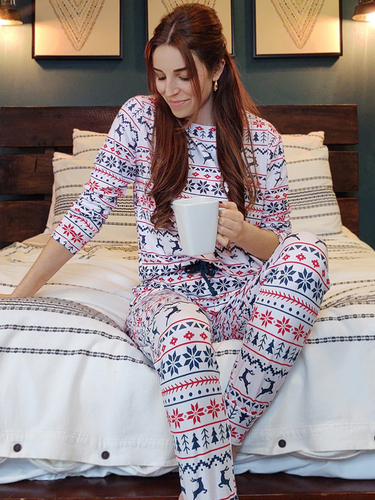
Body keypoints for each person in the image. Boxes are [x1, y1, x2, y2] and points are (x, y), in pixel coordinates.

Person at [0, 4, 330, 499]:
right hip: (166, 295)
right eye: (159, 75)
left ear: (217, 69)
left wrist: (241, 232)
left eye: (184, 75)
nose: (169, 90)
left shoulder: (261, 140)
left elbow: (279, 247)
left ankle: (214, 445)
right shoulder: (138, 120)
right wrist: (19, 297)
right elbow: (85, 214)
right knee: (183, 334)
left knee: (309, 256)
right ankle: (211, 489)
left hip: (244, 296)